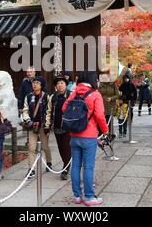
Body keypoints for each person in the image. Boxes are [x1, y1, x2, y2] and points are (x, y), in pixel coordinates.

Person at [63, 71, 109, 206]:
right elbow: (100, 116)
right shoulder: (95, 94)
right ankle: (89, 197)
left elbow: (64, 107)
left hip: (74, 135)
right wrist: (105, 130)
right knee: (88, 167)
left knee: (76, 166)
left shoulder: (75, 92)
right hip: (89, 136)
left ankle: (77, 196)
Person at [22, 75, 52, 179]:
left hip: (43, 125)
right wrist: (28, 120)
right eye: (34, 83)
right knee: (31, 147)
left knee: (44, 146)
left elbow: (49, 111)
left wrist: (47, 125)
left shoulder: (46, 96)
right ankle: (31, 169)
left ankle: (49, 162)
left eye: (37, 83)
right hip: (32, 125)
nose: (35, 84)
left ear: (42, 85)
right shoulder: (29, 96)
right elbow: (25, 110)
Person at [45, 75, 72, 180]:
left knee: (66, 147)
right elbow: (49, 112)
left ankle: (66, 168)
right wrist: (47, 125)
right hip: (57, 127)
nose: (60, 85)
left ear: (66, 84)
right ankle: (66, 164)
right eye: (58, 84)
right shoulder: (53, 97)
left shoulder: (71, 95)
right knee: (61, 148)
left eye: (62, 83)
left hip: (68, 127)